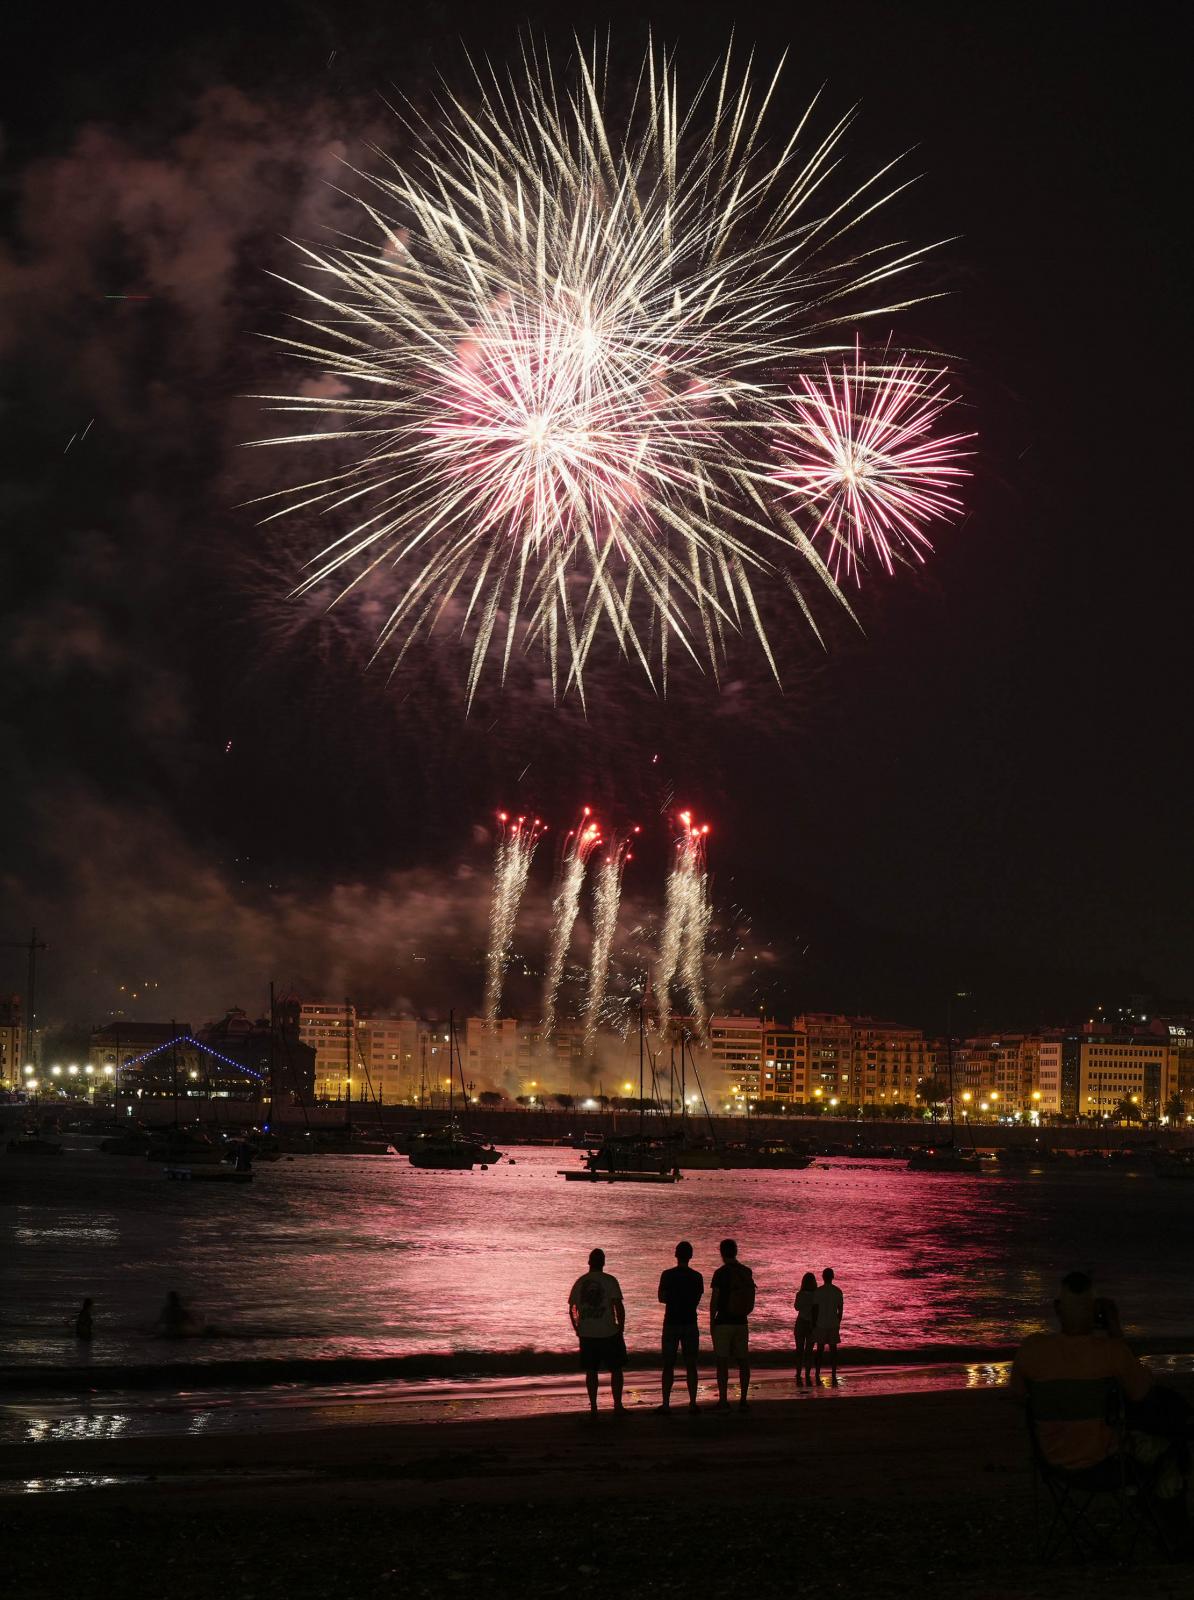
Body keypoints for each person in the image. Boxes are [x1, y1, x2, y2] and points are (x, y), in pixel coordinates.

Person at [1010, 1270, 1192, 1502]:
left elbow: (1019, 1397)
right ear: (1095, 1309)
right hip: (1109, 1465)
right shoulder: (1112, 1352)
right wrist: (1115, 1329)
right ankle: (1168, 1506)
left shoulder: (1031, 1350)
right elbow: (1144, 1393)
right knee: (1172, 1422)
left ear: (1057, 1308)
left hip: (1053, 1464)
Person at [568, 1248, 627, 1413]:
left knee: (591, 1371)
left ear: (589, 1262)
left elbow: (572, 1308)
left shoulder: (580, 1282)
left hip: (587, 1333)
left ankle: (594, 1407)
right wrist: (621, 1326)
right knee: (616, 1369)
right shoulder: (610, 1280)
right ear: (603, 1263)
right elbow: (618, 1306)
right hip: (609, 1332)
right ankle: (617, 1405)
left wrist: (577, 1327)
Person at [658, 1241, 704, 1411]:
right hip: (690, 1321)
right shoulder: (697, 1277)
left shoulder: (667, 1275)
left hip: (671, 1321)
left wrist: (673, 1298)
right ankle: (692, 1403)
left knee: (668, 1364)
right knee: (691, 1364)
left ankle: (666, 1404)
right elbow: (697, 1299)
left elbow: (661, 1298)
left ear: (676, 1255)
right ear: (690, 1256)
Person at [709, 1238, 755, 1410]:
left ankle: (723, 1400)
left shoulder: (720, 1273)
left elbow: (715, 1300)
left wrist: (711, 1321)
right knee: (743, 1361)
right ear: (736, 1252)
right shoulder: (746, 1271)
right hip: (741, 1321)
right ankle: (743, 1399)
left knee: (722, 1362)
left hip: (723, 1322)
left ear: (722, 1253)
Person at [813, 1267, 844, 1385]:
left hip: (820, 1323)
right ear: (833, 1277)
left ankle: (817, 1372)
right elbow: (840, 1310)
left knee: (819, 1350)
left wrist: (814, 1324)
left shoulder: (818, 1291)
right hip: (833, 1323)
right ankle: (833, 1372)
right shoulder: (838, 1291)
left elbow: (815, 1310)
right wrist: (838, 1322)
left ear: (823, 1277)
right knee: (833, 1350)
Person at [792, 1272, 818, 1385]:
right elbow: (818, 1310)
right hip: (812, 1323)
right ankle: (807, 1373)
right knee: (809, 1351)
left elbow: (796, 1307)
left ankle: (798, 1372)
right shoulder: (816, 1295)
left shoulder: (800, 1294)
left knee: (799, 1350)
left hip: (801, 1322)